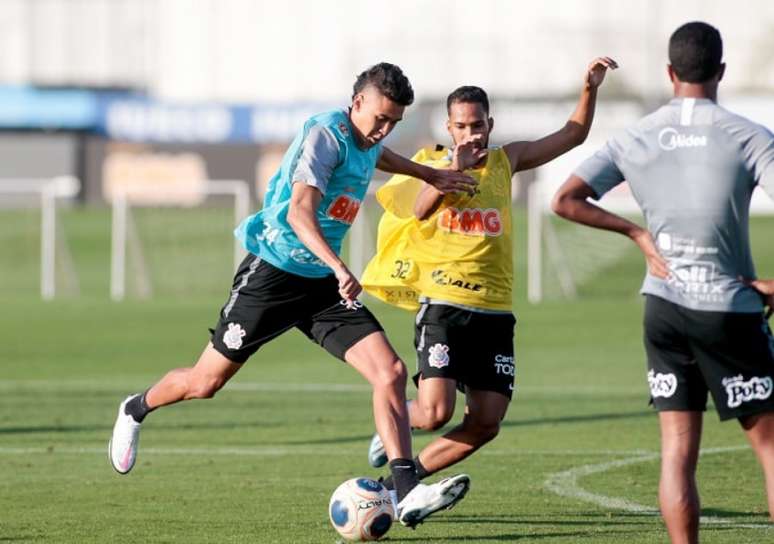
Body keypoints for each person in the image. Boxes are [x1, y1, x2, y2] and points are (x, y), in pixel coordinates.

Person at [108, 62, 478, 528]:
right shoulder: (325, 135)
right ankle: (136, 407)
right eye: (380, 118)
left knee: (391, 371)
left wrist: (429, 175)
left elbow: (377, 155)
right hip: (274, 276)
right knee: (205, 382)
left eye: (393, 123)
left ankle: (405, 492)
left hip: (321, 287)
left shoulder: (367, 138)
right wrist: (339, 266)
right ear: (357, 102)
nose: (384, 129)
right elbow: (301, 214)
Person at [551, 22, 774, 544]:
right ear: (721, 71)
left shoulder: (635, 135)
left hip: (664, 309)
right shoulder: (747, 135)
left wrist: (636, 234)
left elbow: (565, 199)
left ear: (670, 73)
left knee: (677, 451)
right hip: (726, 305)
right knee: (768, 444)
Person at [359, 57, 618, 492]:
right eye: (461, 126)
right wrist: (454, 169)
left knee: (486, 423)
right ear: (449, 127)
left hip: (494, 312)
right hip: (444, 305)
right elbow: (420, 210)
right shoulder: (431, 162)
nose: (471, 134)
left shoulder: (506, 161)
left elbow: (572, 135)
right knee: (436, 412)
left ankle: (405, 478)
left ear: (490, 124)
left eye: (477, 125)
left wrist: (589, 88)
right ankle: (395, 425)